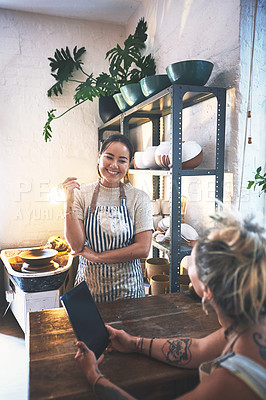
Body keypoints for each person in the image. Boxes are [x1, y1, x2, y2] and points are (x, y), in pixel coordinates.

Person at [74, 208, 266, 399]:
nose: (190, 263)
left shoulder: (231, 381)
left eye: (193, 261)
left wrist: (94, 376)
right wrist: (133, 343)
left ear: (208, 291)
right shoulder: (249, 323)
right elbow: (199, 350)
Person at [61, 134, 153, 303]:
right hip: (89, 289)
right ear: (99, 158)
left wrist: (98, 257)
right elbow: (76, 245)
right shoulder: (81, 195)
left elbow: (143, 248)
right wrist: (68, 202)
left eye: (122, 160)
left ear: (129, 164)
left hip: (129, 290)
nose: (114, 165)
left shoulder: (139, 198)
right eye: (109, 157)